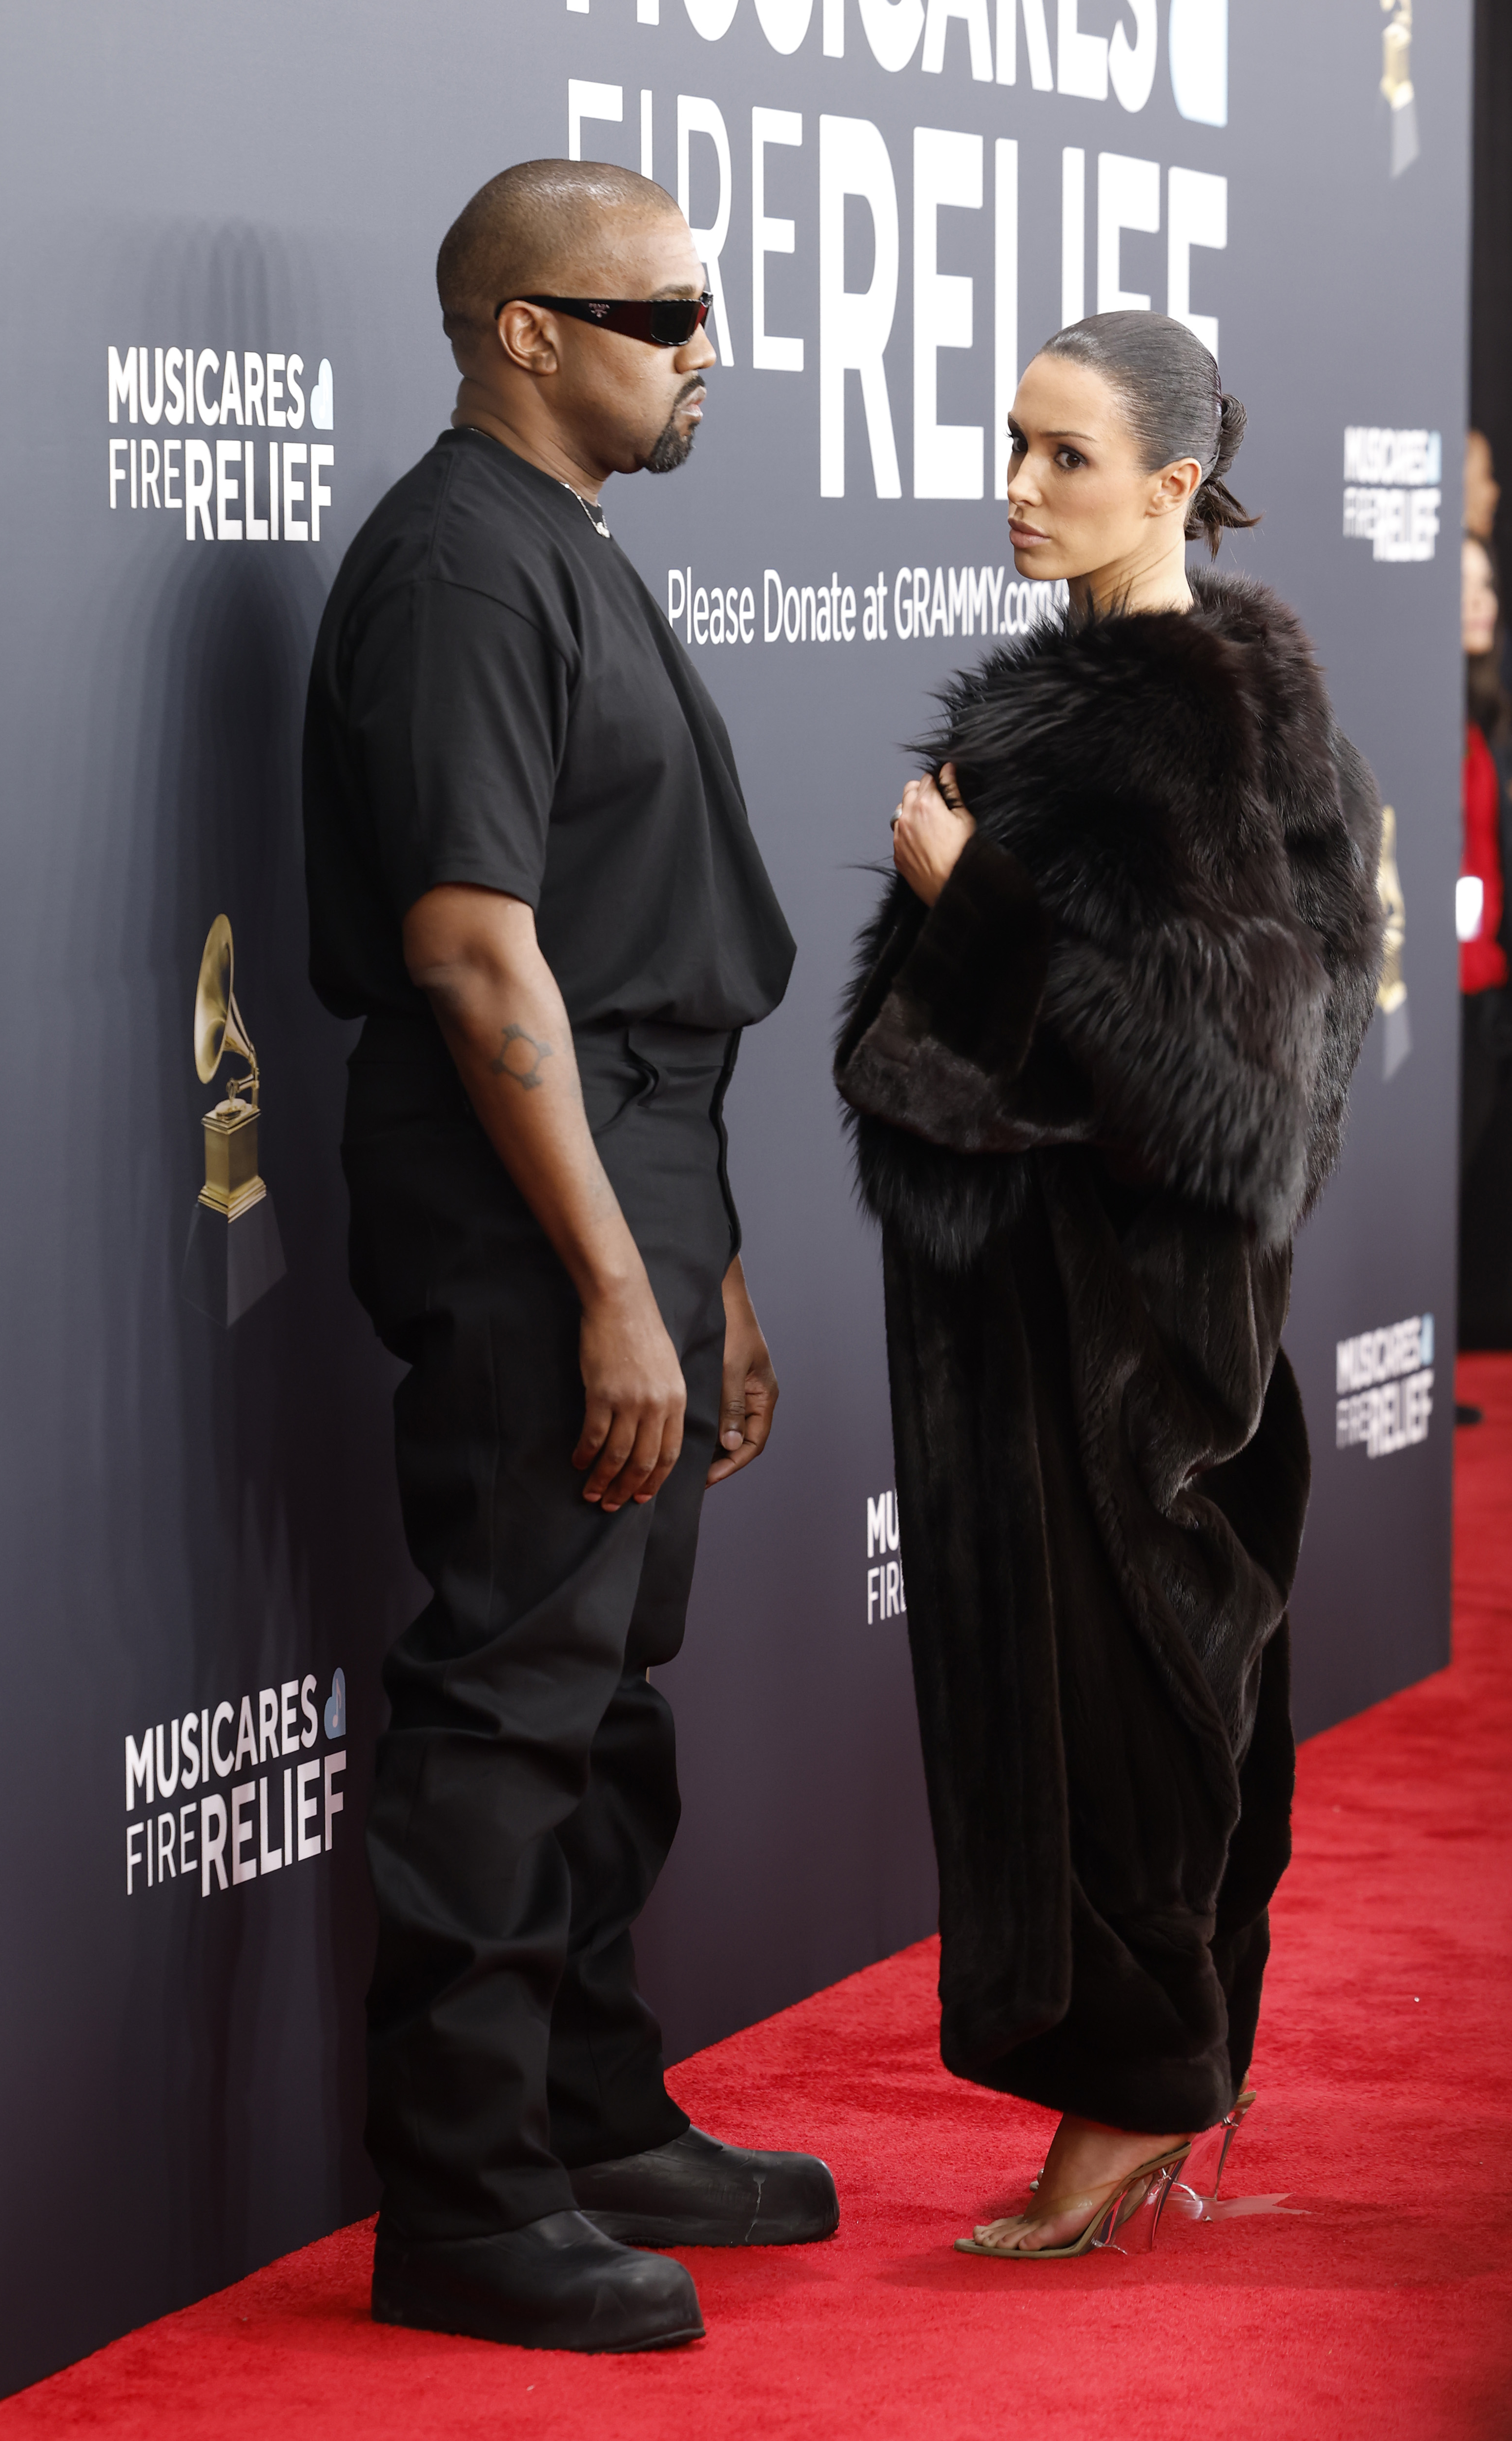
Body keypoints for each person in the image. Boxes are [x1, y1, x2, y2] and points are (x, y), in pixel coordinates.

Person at [302, 159, 832, 2355]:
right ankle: (459, 2197)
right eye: (660, 311)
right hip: (529, 1192)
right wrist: (612, 1276)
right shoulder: (453, 566)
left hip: (628, 1165)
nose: (703, 345)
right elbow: (469, 944)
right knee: (514, 1692)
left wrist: (691, 1264)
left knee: (605, 1688)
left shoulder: (566, 549)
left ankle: (592, 2112)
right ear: (525, 330)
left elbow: (624, 954)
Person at [835, 312, 1384, 2258]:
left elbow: (1215, 1073)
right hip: (1140, 1300)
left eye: (1063, 457)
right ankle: (1161, 2074)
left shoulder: (1144, 713)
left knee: (1110, 1700)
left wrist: (964, 914)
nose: (1014, 486)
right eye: (1007, 444)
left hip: (1099, 1325)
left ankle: (1131, 2090)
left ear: (1169, 482)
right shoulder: (1213, 685)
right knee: (1153, 1692)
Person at [1458, 530, 1512, 1351]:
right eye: (1465, 585)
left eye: (1488, 586)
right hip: (1439, 988)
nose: (1484, 602)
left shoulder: (1479, 713)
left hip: (1482, 982)